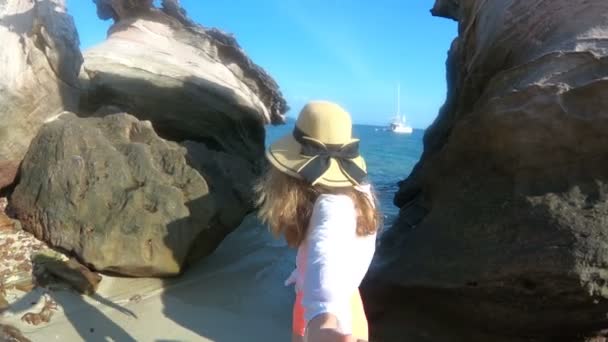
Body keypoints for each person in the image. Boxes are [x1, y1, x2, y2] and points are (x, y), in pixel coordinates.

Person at [257, 101, 380, 342]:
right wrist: (303, 273)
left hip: (324, 316)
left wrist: (322, 322)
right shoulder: (361, 193)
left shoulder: (331, 207)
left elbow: (326, 256)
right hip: (349, 304)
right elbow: (337, 255)